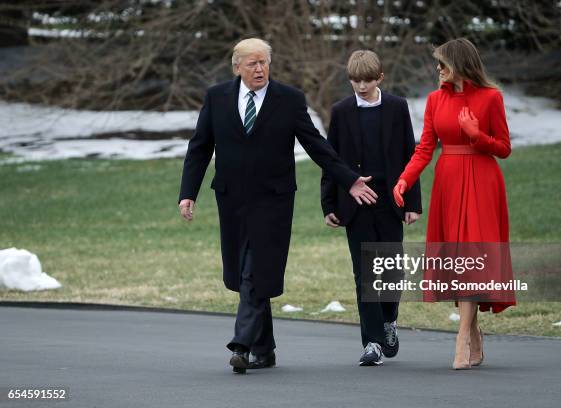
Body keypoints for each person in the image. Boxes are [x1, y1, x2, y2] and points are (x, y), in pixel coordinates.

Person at [178, 38, 378, 374]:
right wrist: (188, 193)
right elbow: (200, 147)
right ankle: (265, 349)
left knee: (255, 270)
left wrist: (349, 179)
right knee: (245, 272)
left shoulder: (289, 99)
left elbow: (317, 145)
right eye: (252, 63)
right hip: (231, 199)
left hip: (273, 200)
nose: (259, 69)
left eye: (264, 62)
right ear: (237, 67)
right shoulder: (217, 97)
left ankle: (241, 344)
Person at [392, 38, 515, 370]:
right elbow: (425, 149)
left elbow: (503, 148)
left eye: (443, 63)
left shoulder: (491, 98)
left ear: (459, 65)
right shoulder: (434, 100)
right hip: (449, 181)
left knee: (474, 258)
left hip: (483, 182)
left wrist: (476, 135)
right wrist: (405, 178)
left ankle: (461, 338)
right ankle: (473, 333)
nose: (438, 69)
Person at [321, 50, 422, 366]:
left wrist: (413, 203)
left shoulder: (396, 107)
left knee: (392, 270)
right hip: (355, 204)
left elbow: (410, 155)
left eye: (366, 80)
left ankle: (389, 319)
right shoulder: (341, 111)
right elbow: (331, 161)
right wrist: (329, 204)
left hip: (391, 200)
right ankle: (373, 342)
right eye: (355, 81)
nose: (361, 86)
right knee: (365, 272)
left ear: (380, 78)